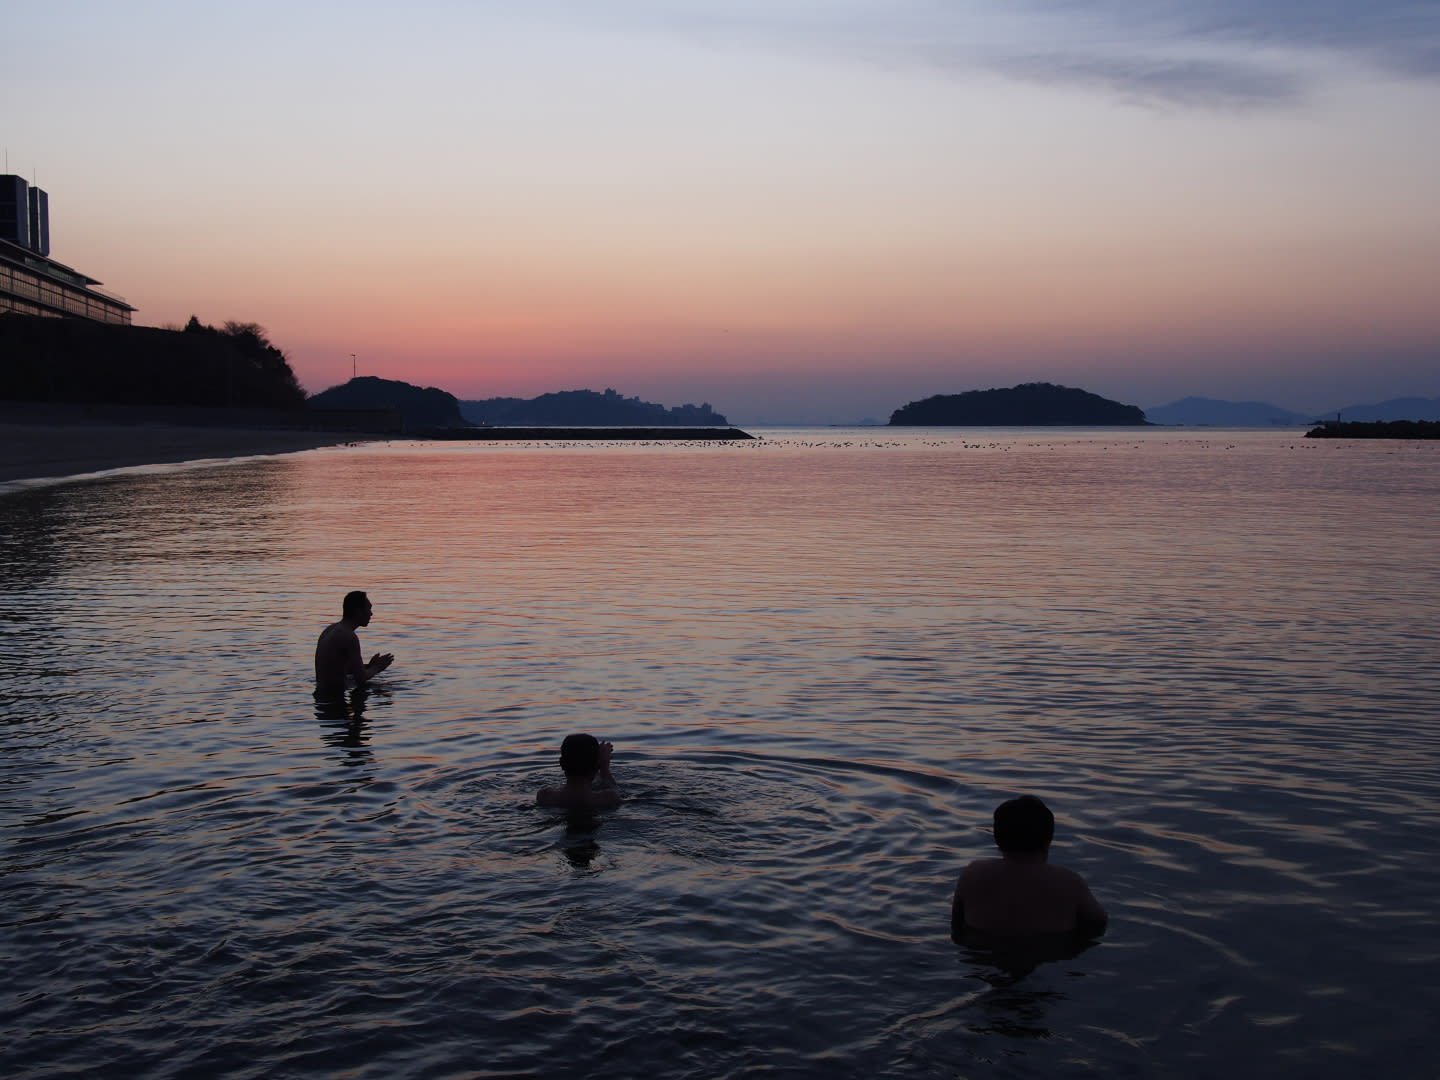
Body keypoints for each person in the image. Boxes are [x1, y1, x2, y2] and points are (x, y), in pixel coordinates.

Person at [950, 795, 1107, 941]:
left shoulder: (972, 875)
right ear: (1048, 840)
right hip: (1051, 953)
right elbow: (1099, 922)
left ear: (997, 839)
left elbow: (956, 925)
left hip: (983, 953)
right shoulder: (1069, 882)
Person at [314, 590, 394, 698]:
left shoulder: (330, 629)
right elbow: (360, 679)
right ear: (359, 611)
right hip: (333, 699)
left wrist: (368, 666)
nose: (371, 613)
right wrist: (377, 668)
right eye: (369, 608)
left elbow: (338, 667)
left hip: (321, 695)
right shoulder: (349, 636)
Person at [537, 733, 622, 812]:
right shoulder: (609, 798)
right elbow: (615, 790)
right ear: (597, 766)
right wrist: (604, 768)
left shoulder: (544, 796)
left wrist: (598, 763)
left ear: (561, 763)